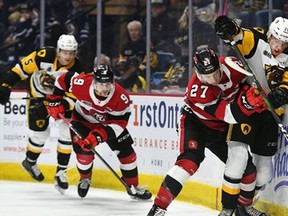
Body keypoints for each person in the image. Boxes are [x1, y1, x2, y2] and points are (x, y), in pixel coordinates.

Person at [147, 48, 267, 216]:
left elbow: (252, 81)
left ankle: (243, 208)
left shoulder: (233, 65)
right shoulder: (197, 89)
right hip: (195, 125)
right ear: (197, 72)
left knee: (248, 172)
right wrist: (248, 103)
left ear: (219, 64)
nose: (211, 80)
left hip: (220, 130)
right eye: (205, 76)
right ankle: (158, 208)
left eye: (214, 73)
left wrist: (256, 92)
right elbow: (229, 115)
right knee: (188, 163)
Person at [214, 15, 288, 215]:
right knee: (237, 159)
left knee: (264, 174)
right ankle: (227, 208)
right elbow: (241, 35)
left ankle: (243, 205)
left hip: (271, 114)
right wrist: (230, 27)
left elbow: (286, 82)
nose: (279, 46)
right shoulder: (258, 38)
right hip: (247, 105)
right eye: (276, 40)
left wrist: (283, 91)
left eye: (284, 43)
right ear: (270, 34)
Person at [46, 64, 152, 200]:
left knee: (128, 154)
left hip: (107, 126)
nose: (105, 88)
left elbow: (119, 125)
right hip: (82, 121)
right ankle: (85, 178)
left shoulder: (121, 98)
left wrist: (97, 137)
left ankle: (133, 187)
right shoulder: (82, 83)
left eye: (108, 84)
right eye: (101, 84)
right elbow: (62, 79)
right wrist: (54, 101)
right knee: (84, 156)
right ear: (94, 82)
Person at [0, 34, 84, 194]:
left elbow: (76, 97)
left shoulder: (77, 69)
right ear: (58, 51)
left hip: (60, 100)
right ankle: (30, 162)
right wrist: (6, 85)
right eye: (65, 52)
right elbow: (21, 68)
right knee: (40, 134)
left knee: (67, 133)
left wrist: (58, 105)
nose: (68, 56)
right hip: (37, 97)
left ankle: (61, 172)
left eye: (71, 52)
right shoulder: (44, 55)